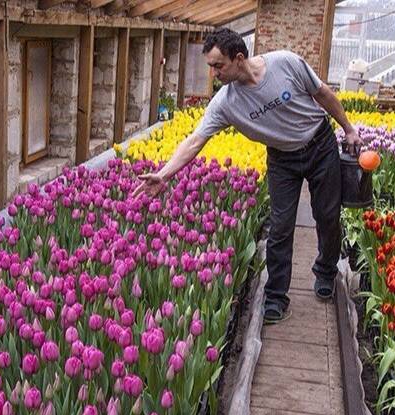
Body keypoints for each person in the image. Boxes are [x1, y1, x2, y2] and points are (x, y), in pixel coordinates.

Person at [132, 28, 362, 324]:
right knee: (280, 226)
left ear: (239, 58)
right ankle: (276, 296)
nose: (213, 73)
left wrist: (349, 129)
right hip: (282, 158)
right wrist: (164, 175)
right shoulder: (226, 102)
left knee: (327, 215)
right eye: (211, 66)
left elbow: (323, 94)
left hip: (320, 144)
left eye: (218, 65)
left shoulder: (285, 63)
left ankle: (326, 270)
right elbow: (195, 140)